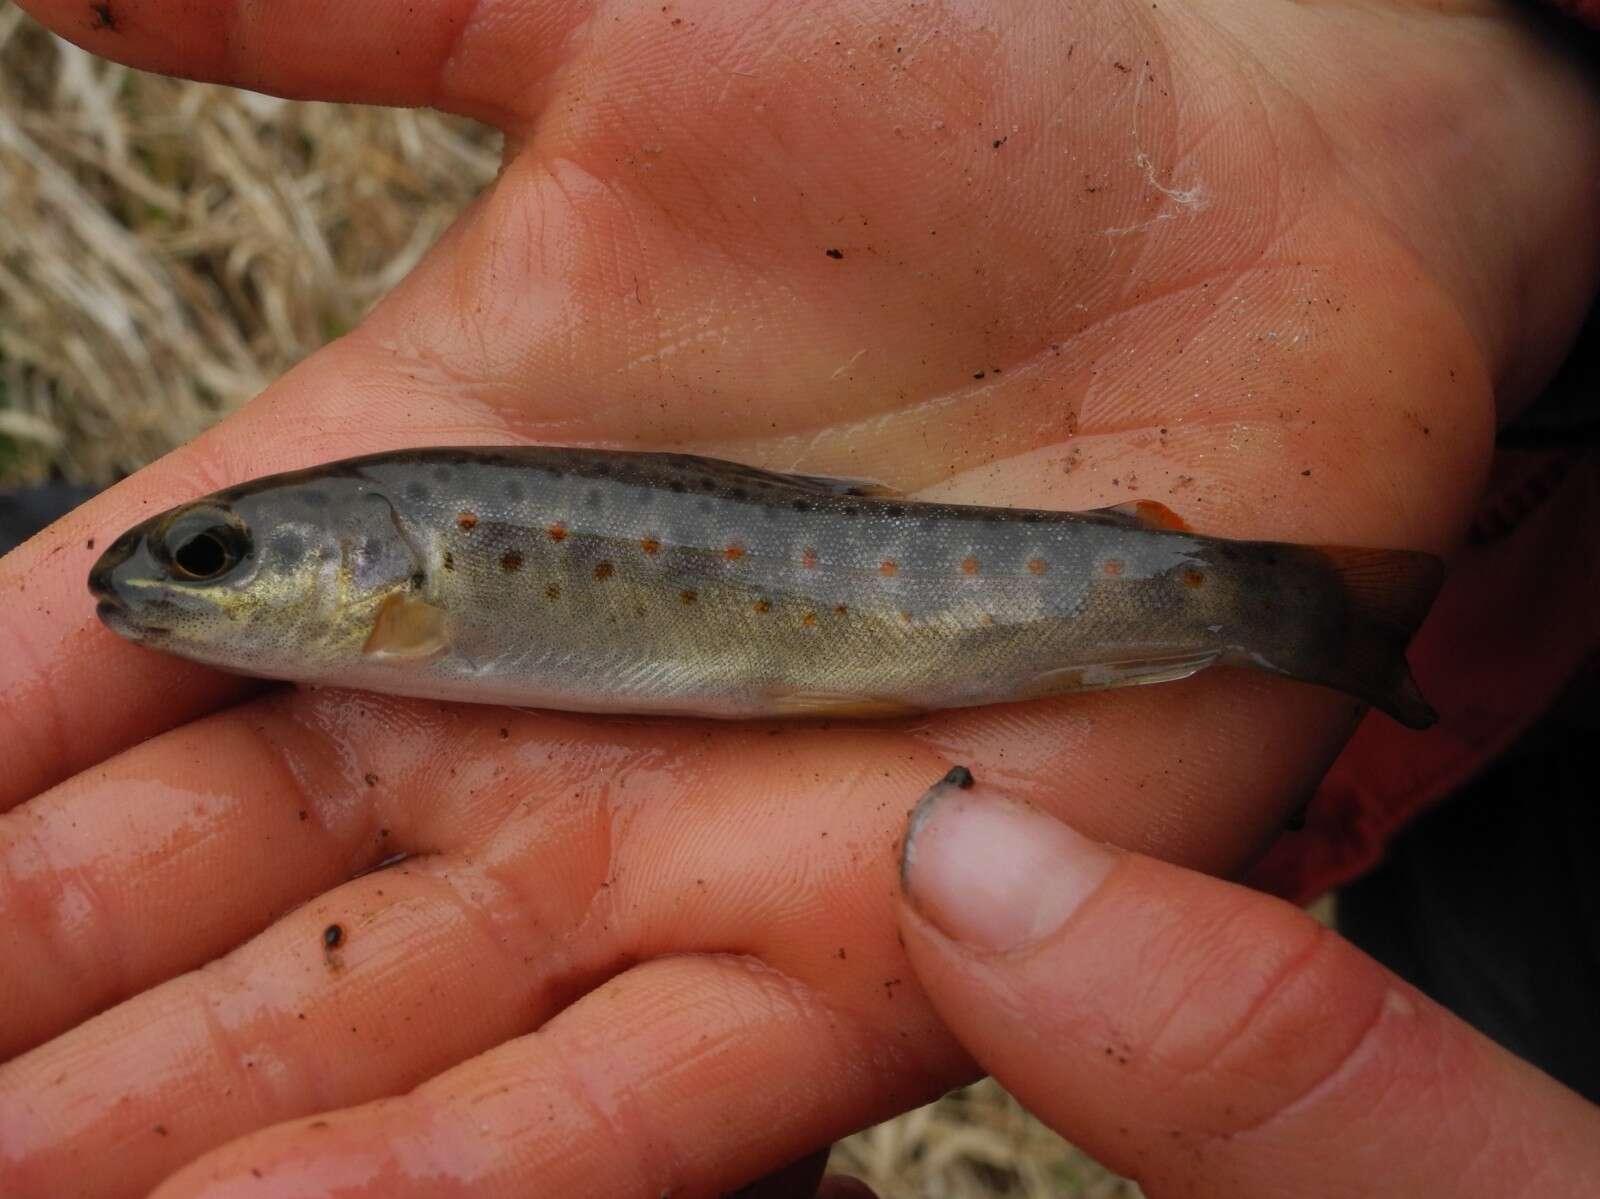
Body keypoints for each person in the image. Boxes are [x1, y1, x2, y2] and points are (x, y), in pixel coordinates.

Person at [1, 1, 1597, 1195]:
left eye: (212, 561)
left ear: (373, 569)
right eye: (200, 560)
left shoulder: (421, 577)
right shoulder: (404, 575)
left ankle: (1304, 616)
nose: (159, 582)